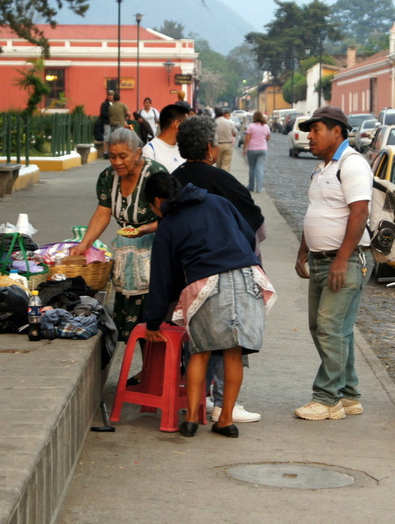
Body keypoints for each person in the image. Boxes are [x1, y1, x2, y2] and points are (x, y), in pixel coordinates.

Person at [142, 172, 274, 438]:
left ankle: (191, 419)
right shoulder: (217, 202)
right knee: (233, 352)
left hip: (207, 282)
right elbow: (249, 236)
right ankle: (225, 420)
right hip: (247, 275)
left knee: (200, 351)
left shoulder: (169, 224)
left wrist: (153, 320)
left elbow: (162, 278)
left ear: (157, 200)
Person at [174, 115, 266, 424]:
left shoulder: (175, 178)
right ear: (211, 148)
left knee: (198, 342)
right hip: (229, 268)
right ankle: (225, 407)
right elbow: (253, 216)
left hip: (190, 272)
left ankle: (197, 405)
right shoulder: (221, 180)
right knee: (233, 339)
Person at [293, 106, 373, 420]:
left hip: (346, 260)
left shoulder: (352, 164)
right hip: (320, 260)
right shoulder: (323, 167)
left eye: (316, 130)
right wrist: (303, 251)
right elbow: (316, 211)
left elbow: (360, 213)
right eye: (309, 131)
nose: (309, 137)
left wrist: (341, 259)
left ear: (336, 131)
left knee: (329, 328)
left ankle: (327, 399)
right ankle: (349, 394)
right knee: (328, 328)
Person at [70, 127, 167, 341]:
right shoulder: (107, 177)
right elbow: (103, 213)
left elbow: (171, 216)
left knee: (151, 315)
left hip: (154, 250)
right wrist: (84, 244)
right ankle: (140, 364)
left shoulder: (155, 175)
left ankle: (150, 370)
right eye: (112, 156)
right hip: (126, 252)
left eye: (123, 156)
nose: (117, 162)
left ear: (138, 153)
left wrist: (145, 229)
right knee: (127, 312)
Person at [141, 103, 186, 173]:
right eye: (186, 123)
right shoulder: (149, 151)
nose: (188, 128)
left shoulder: (183, 149)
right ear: (177, 123)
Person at [242, 110, 271, 193]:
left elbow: (247, 138)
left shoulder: (251, 126)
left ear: (254, 117)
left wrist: (244, 148)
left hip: (252, 149)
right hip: (262, 149)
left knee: (252, 168)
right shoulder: (266, 126)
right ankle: (259, 188)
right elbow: (268, 138)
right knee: (260, 167)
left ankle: (251, 186)